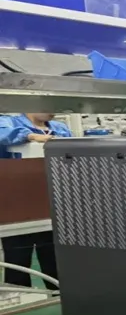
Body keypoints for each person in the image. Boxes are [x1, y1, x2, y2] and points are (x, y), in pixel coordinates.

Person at [0, 113, 71, 289]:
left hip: (52, 202)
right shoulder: (8, 122)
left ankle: (60, 294)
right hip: (16, 206)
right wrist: (30, 136)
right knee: (17, 258)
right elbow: (3, 134)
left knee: (54, 257)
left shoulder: (60, 128)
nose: (51, 111)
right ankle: (18, 295)